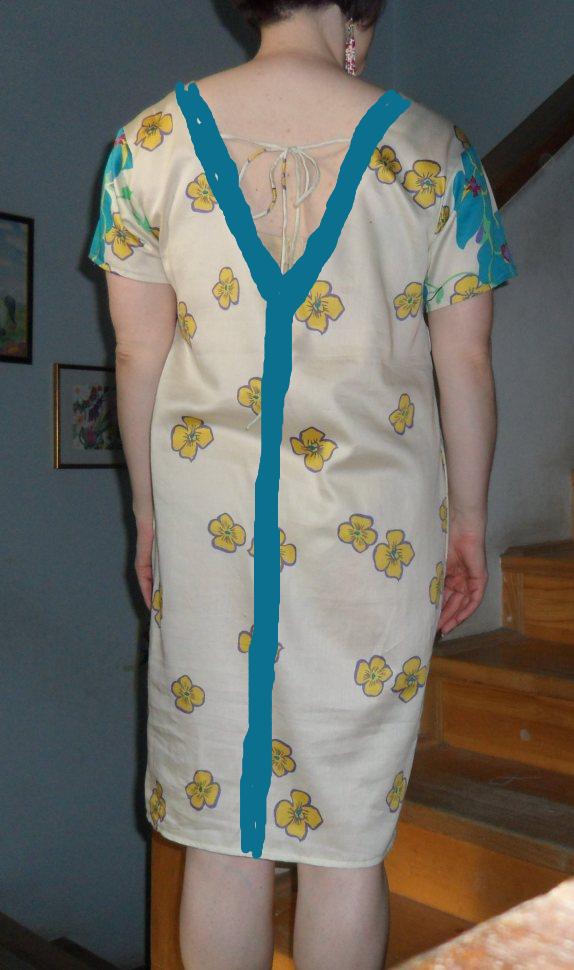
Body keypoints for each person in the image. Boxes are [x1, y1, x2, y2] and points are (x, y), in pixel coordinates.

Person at [88, 1, 518, 967]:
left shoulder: (148, 145)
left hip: (209, 526)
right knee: (346, 841)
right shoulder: (437, 152)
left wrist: (148, 518)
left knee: (221, 840)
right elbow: (467, 362)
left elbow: (138, 355)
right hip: (378, 534)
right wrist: (469, 522)